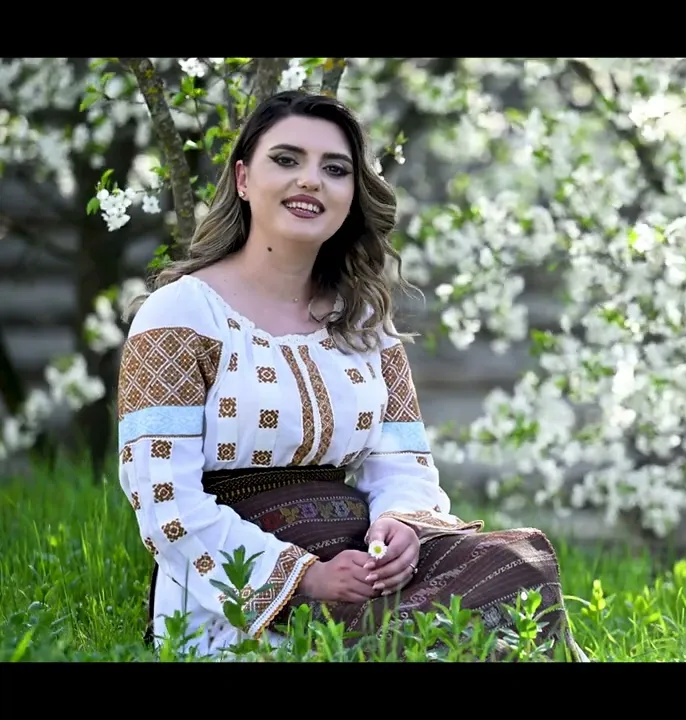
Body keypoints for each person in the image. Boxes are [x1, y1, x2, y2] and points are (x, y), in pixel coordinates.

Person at [117, 89, 585, 661]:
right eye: (286, 160)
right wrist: (306, 577)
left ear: (350, 196)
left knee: (514, 568)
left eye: (334, 169)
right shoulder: (181, 313)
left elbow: (403, 464)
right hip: (242, 588)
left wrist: (401, 528)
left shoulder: (362, 321)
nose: (310, 180)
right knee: (421, 634)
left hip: (360, 561)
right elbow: (164, 502)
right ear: (242, 178)